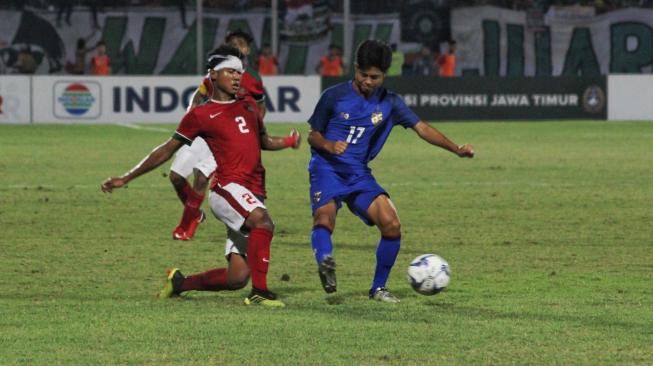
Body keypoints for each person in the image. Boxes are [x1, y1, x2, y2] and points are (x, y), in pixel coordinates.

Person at [101, 45, 298, 307]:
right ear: (213, 76)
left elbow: (263, 141)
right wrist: (126, 178)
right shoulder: (201, 115)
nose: (237, 77)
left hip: (252, 191)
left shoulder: (249, 106)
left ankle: (179, 283)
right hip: (227, 189)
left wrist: (287, 141)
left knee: (236, 277)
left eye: (239, 72)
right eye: (230, 72)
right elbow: (166, 150)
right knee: (263, 222)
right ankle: (260, 292)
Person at [307, 40, 475, 303]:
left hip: (359, 174)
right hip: (327, 168)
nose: (368, 81)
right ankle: (325, 262)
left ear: (384, 75)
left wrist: (456, 149)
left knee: (391, 225)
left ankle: (378, 288)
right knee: (324, 219)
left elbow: (423, 128)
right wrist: (328, 144)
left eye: (375, 77)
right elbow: (313, 136)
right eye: (363, 75)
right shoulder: (334, 96)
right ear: (355, 69)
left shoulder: (391, 103)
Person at [168, 29, 274, 240]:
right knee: (176, 176)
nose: (238, 48)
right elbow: (199, 96)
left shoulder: (253, 78)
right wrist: (192, 115)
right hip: (207, 132)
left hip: (230, 141)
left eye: (241, 44)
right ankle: (195, 214)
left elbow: (260, 106)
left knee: (200, 176)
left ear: (248, 49)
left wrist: (253, 127)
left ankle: (187, 226)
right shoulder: (214, 74)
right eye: (233, 44)